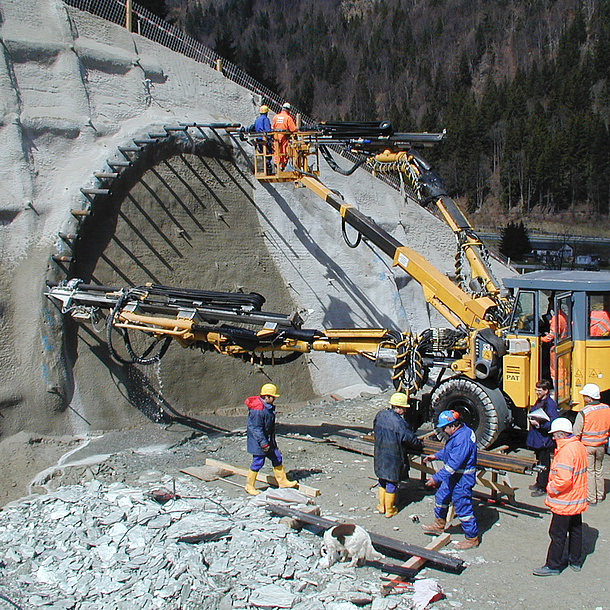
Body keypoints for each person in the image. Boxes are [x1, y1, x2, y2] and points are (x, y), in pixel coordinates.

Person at [533, 418, 588, 576]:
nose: (553, 438)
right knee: (576, 530)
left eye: (555, 435)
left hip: (564, 501)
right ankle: (575, 560)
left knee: (557, 534)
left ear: (562, 434)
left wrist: (550, 488)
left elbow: (563, 480)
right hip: (577, 499)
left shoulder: (565, 452)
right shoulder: (578, 446)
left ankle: (553, 565)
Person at [421, 410, 479, 549]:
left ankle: (472, 538)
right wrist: (435, 456)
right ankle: (439, 524)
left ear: (453, 425)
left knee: (462, 507)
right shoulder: (459, 434)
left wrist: (435, 478)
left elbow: (453, 465)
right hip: (454, 476)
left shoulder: (462, 438)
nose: (444, 431)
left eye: (444, 428)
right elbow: (449, 451)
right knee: (442, 496)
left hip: (462, 477)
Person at [373, 392, 424, 518]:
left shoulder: (380, 415)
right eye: (405, 409)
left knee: (382, 479)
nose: (405, 411)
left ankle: (381, 506)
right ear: (399, 408)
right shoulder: (398, 423)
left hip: (379, 453)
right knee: (391, 481)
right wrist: (420, 444)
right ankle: (390, 510)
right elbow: (409, 439)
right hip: (393, 456)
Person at [244, 383, 297, 495]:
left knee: (277, 458)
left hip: (268, 440)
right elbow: (256, 429)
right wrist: (264, 444)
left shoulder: (266, 407)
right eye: (273, 397)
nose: (274, 399)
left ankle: (283, 482)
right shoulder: (258, 410)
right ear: (266, 396)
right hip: (259, 442)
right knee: (258, 462)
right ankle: (249, 486)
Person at [573, 383, 610, 504]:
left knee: (589, 471)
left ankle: (591, 498)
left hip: (587, 446)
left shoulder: (584, 412)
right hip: (601, 446)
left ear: (589, 398)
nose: (583, 398)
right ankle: (600, 495)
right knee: (599, 470)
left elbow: (576, 432)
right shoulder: (606, 408)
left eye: (584, 396)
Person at [527, 379, 559, 497]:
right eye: (537, 389)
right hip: (538, 438)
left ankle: (543, 486)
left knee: (544, 463)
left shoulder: (549, 404)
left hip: (544, 440)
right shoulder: (541, 401)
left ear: (546, 391)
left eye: (539, 390)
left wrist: (539, 424)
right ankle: (539, 482)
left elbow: (553, 422)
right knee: (539, 461)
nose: (537, 392)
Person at [271, 102, 297, 169]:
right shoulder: (288, 118)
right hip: (283, 137)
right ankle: (282, 166)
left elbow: (272, 127)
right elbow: (293, 129)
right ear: (288, 110)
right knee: (284, 151)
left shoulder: (275, 117)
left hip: (276, 137)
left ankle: (276, 164)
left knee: (276, 150)